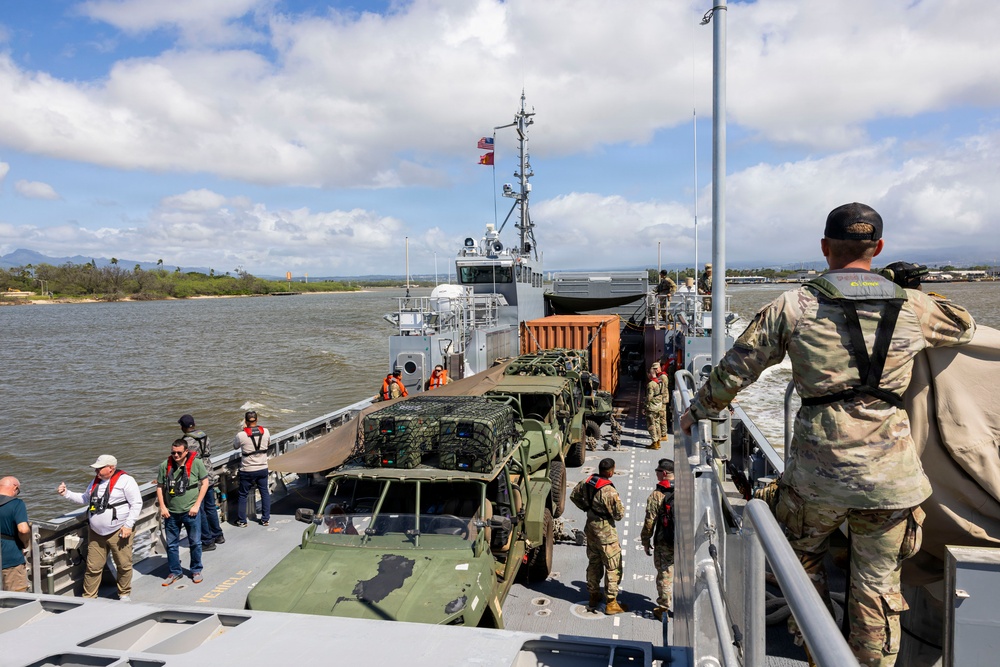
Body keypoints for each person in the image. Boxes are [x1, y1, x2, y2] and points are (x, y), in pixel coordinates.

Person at [680, 202, 976, 667]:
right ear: (877, 247)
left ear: (824, 248)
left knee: (801, 567)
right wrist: (904, 287)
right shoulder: (914, 306)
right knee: (877, 589)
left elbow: (737, 369)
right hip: (890, 480)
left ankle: (817, 650)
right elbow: (964, 326)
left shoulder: (793, 304)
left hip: (817, 477)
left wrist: (696, 412)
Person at [57, 455, 142, 600]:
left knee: (123, 564)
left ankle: (124, 594)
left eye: (99, 468)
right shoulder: (95, 482)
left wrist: (128, 525)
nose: (96, 471)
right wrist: (67, 493)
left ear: (111, 468)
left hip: (119, 530)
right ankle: (89, 597)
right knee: (93, 566)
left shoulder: (126, 481)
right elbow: (85, 499)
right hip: (96, 533)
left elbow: (136, 503)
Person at [570, 458, 627, 615]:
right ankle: (611, 602)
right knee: (613, 566)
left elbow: (574, 496)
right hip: (606, 534)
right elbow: (619, 515)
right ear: (610, 472)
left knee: (594, 562)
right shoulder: (609, 491)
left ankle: (593, 595)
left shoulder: (588, 481)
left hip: (591, 529)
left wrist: (587, 507)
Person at [157, 439, 209, 585]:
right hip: (171, 513)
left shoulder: (196, 463)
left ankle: (196, 570)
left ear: (186, 452)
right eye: (173, 452)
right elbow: (160, 487)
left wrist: (197, 505)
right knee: (172, 544)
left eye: (179, 453)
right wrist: (163, 507)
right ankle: (175, 571)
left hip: (191, 511)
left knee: (195, 542)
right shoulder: (164, 466)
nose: (176, 455)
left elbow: (205, 483)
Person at [179, 414, 225, 551]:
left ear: (183, 427)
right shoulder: (204, 436)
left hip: (198, 477)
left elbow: (186, 459)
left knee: (201, 509)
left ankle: (207, 540)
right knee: (211, 507)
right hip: (209, 472)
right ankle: (218, 535)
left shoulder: (187, 441)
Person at [641, 459, 675, 620]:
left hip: (665, 539)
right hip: (685, 539)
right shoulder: (686, 488)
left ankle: (663, 608)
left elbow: (650, 521)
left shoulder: (657, 494)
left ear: (664, 473)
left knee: (665, 573)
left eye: (657, 471)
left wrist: (646, 541)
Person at [234, 410, 271, 527]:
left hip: (247, 470)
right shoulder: (266, 432)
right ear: (257, 420)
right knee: (264, 492)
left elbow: (235, 446)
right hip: (262, 468)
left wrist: (242, 430)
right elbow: (268, 444)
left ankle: (242, 521)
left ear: (245, 421)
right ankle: (265, 519)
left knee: (243, 495)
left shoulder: (241, 435)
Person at [1, 477, 30, 592]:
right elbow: (23, 530)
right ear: (15, 488)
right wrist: (25, 543)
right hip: (11, 558)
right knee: (17, 599)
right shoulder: (17, 504)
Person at [645, 365, 664, 450]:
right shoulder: (660, 381)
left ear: (650, 374)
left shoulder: (651, 384)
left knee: (651, 425)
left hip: (652, 407)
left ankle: (654, 442)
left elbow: (649, 397)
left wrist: (644, 406)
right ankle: (659, 441)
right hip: (659, 405)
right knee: (657, 423)